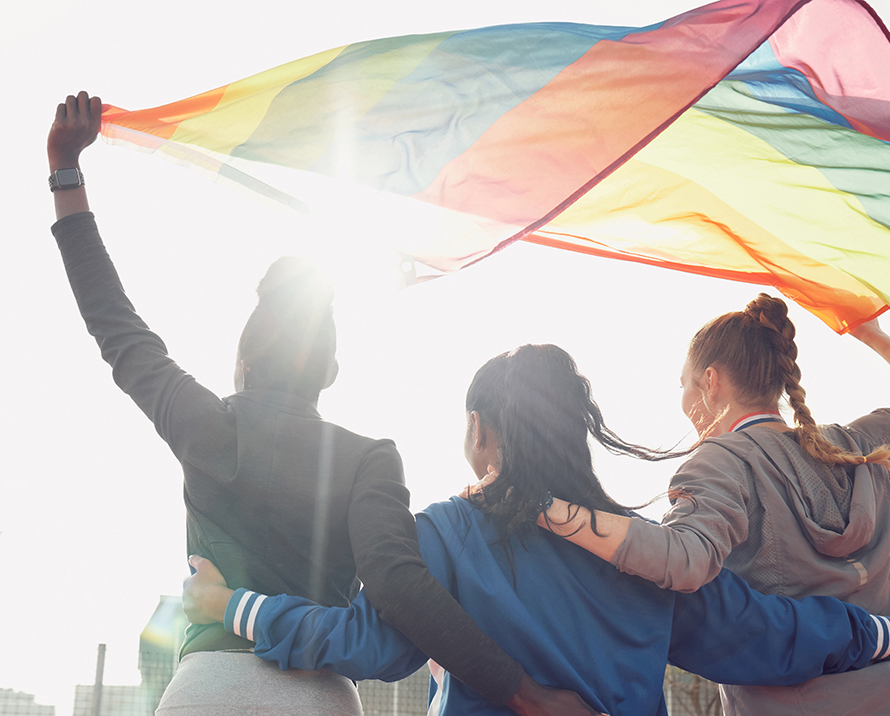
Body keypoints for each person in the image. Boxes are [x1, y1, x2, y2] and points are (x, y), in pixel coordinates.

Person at [45, 91, 601, 715]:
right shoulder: (370, 459)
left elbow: (114, 325)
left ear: (245, 361)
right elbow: (400, 589)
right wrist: (525, 694)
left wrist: (65, 170)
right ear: (331, 371)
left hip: (207, 693)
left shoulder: (205, 424)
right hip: (322, 698)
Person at [182, 344, 890, 716]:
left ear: (479, 430)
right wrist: (883, 636)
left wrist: (233, 608)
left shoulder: (442, 536)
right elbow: (773, 635)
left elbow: (366, 645)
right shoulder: (644, 556)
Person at [534, 295, 890, 715]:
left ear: (711, 381)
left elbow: (683, 559)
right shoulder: (860, 447)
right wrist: (870, 333)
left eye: (684, 384)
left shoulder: (721, 462)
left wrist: (543, 506)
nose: (683, 402)